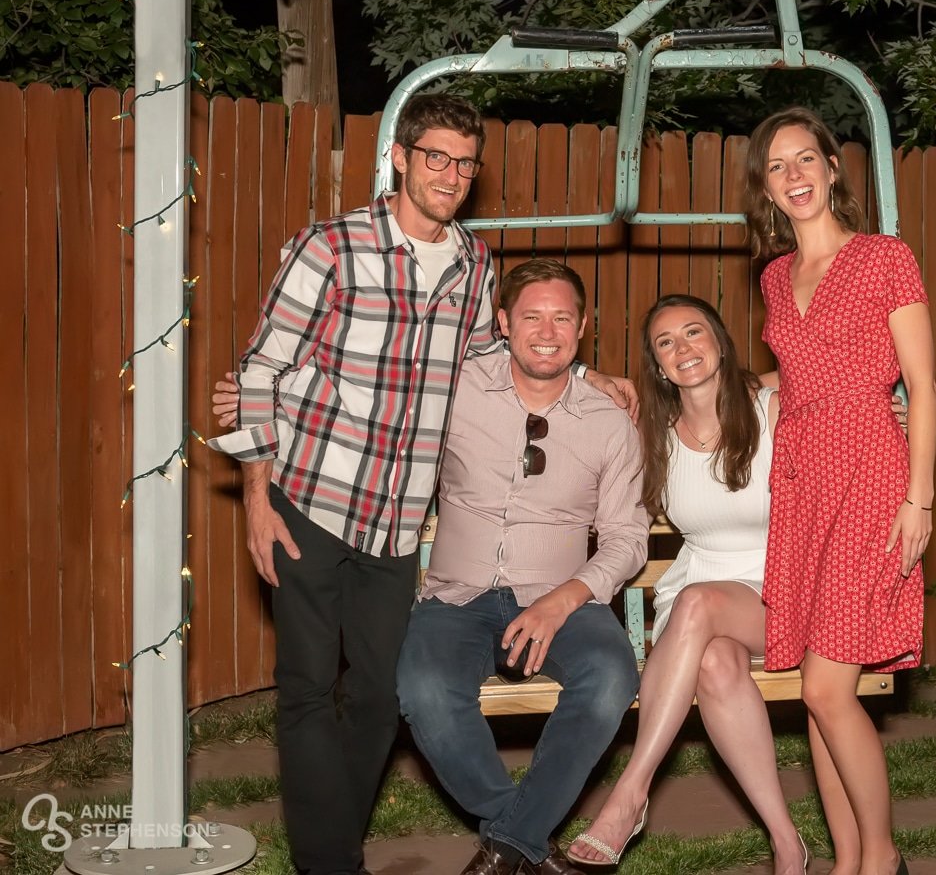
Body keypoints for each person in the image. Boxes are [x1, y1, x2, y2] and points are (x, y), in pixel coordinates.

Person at [207, 94, 632, 875]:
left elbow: (487, 358)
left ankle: (503, 838)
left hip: (397, 523)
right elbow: (263, 367)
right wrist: (256, 499)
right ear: (400, 157)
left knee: (374, 696)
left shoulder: (474, 266)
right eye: (436, 156)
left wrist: (580, 369)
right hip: (311, 496)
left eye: (466, 163)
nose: (452, 174)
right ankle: (330, 861)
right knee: (306, 688)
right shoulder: (332, 247)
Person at [394, 259, 647, 875]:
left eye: (562, 317)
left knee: (612, 677)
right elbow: (377, 376)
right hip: (457, 594)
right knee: (424, 689)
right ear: (502, 322)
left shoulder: (609, 422)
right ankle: (523, 836)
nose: (547, 331)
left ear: (583, 326)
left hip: (562, 596)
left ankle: (506, 847)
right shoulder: (454, 388)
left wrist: (562, 600)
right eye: (531, 315)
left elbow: (627, 537)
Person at [749, 107, 936, 875]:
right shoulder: (772, 275)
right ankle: (848, 861)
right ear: (765, 189)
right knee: (816, 690)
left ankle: (883, 857)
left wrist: (919, 496)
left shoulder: (886, 256)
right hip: (802, 481)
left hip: (870, 466)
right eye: (776, 166)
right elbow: (792, 380)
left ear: (832, 168)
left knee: (829, 688)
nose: (794, 176)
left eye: (806, 159)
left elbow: (922, 385)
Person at [566, 294, 808, 875]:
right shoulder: (652, 429)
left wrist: (889, 414)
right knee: (717, 666)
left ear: (720, 340)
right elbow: (543, 366)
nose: (683, 349)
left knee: (698, 607)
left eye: (694, 333)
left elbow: (837, 374)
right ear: (657, 363)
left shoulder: (772, 408)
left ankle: (630, 793)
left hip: (776, 592)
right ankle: (787, 843)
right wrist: (587, 370)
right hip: (699, 593)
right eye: (666, 343)